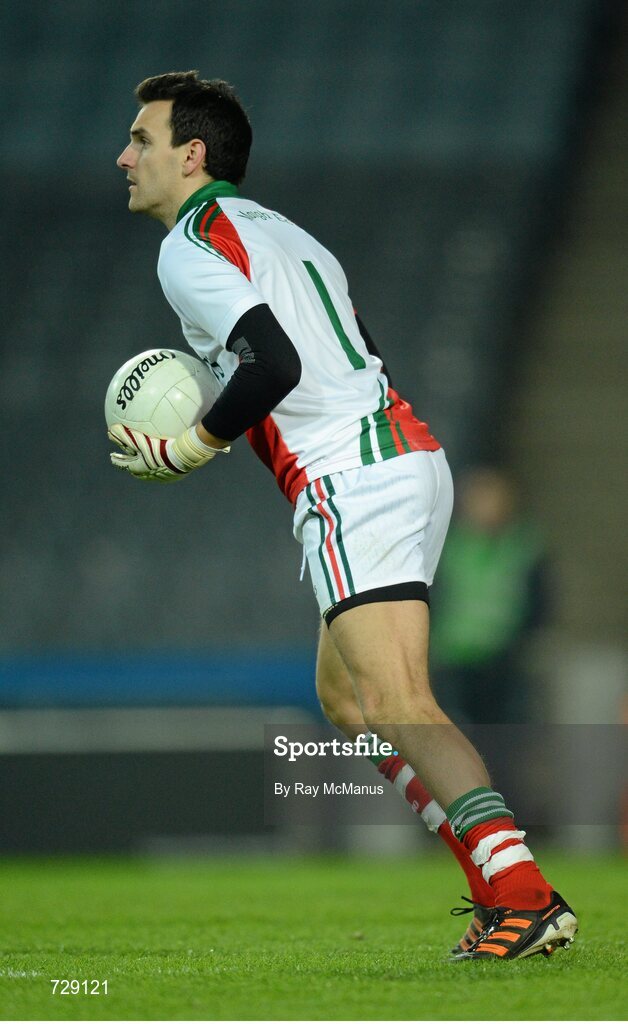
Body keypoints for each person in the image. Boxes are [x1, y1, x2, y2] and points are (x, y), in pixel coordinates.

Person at [111, 70, 577, 960]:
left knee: (399, 702)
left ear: (191, 153)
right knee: (347, 701)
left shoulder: (186, 247)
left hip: (351, 476)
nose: (125, 156)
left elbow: (273, 364)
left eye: (142, 138)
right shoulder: (280, 230)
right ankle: (493, 884)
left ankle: (524, 893)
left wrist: (192, 444)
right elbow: (345, 346)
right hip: (394, 455)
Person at [430, 466, 550, 725]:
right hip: (454, 658)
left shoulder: (524, 546)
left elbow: (540, 600)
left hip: (504, 662)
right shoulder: (450, 545)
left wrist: (524, 641)